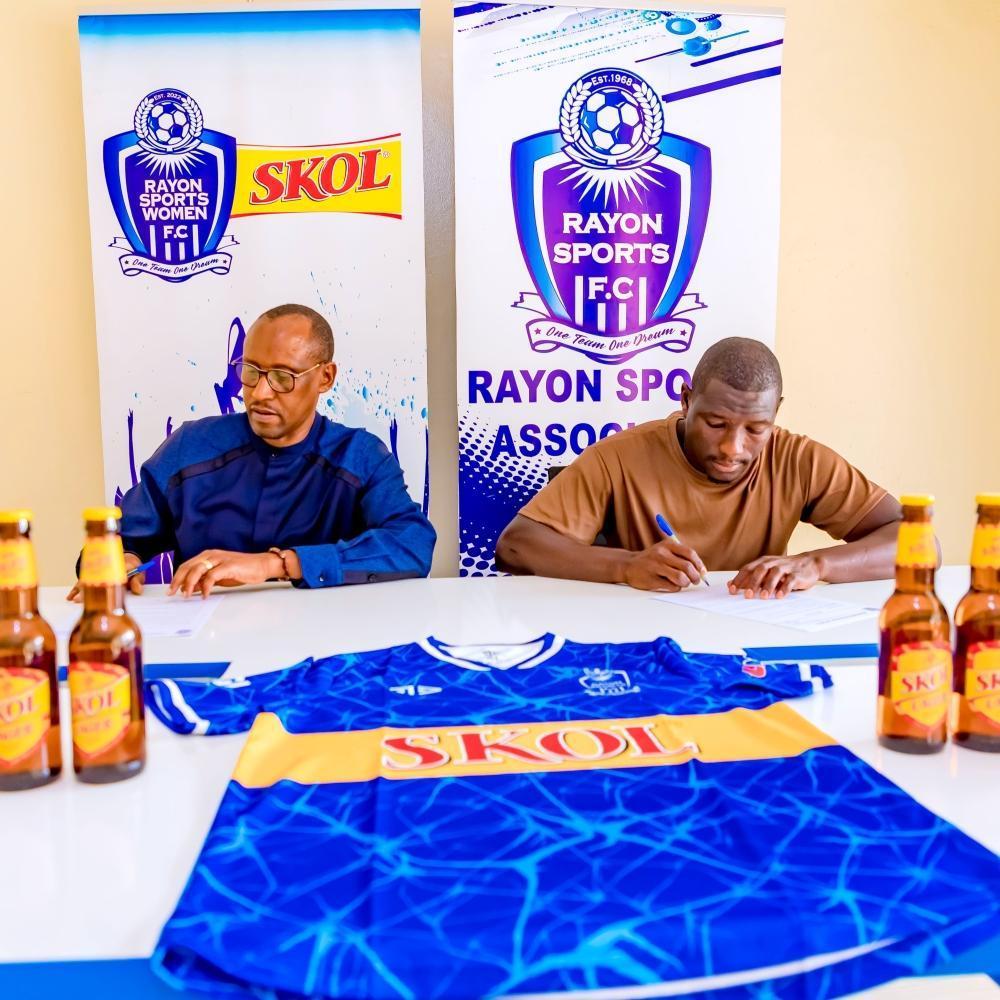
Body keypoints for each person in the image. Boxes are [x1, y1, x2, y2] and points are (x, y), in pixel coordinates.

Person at [69, 304, 435, 600]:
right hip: (205, 639)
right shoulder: (191, 446)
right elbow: (118, 539)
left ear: (325, 377)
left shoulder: (359, 456)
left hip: (322, 646)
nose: (259, 393)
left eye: (282, 377)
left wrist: (277, 564)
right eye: (250, 372)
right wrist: (120, 560)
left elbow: (413, 543)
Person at [496, 337, 906, 598]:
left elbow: (915, 541)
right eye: (716, 424)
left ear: (775, 414)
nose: (732, 448)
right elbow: (516, 546)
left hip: (753, 641)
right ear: (686, 401)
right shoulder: (620, 457)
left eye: (756, 429)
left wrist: (815, 564)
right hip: (640, 640)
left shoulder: (798, 460)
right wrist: (626, 565)